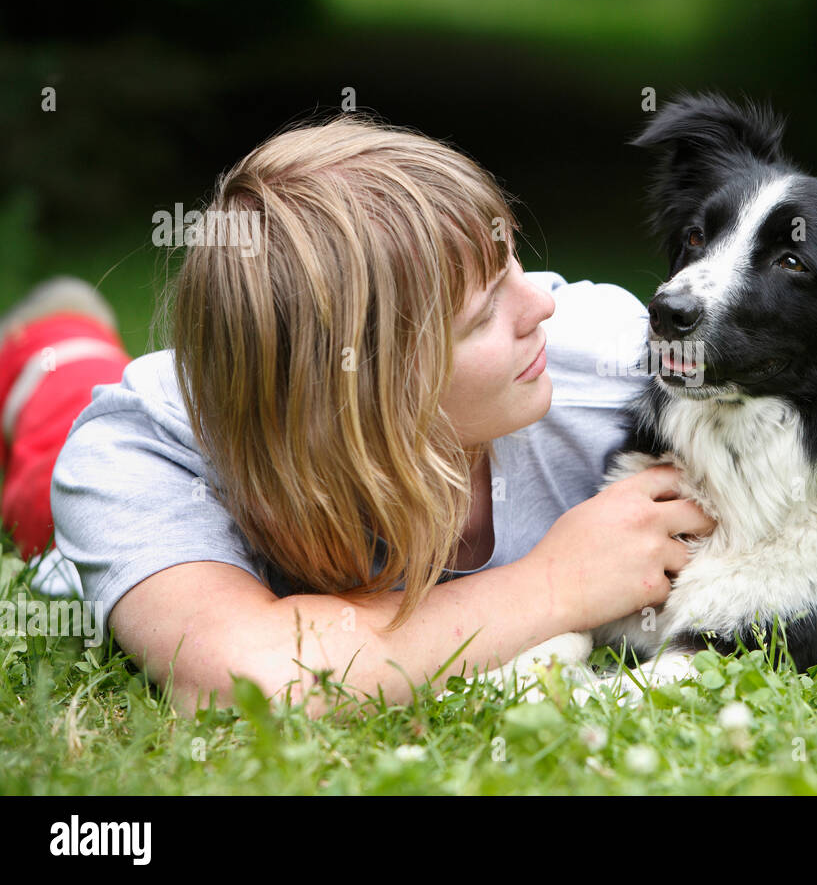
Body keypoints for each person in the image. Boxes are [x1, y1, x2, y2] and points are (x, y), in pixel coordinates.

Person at [0, 114, 715, 717]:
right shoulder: (149, 452)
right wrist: (556, 584)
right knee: (46, 465)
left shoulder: (607, 362)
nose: (542, 308)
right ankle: (58, 344)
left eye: (514, 268)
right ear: (369, 388)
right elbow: (245, 682)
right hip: (95, 463)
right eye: (483, 314)